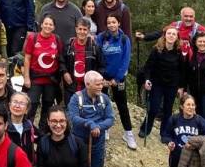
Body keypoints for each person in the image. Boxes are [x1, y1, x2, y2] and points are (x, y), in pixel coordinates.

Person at [66, 71, 114, 167]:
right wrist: (89, 124)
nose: (101, 87)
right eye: (97, 84)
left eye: (101, 84)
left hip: (98, 142)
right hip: (80, 140)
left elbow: (110, 118)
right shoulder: (76, 98)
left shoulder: (104, 99)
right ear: (87, 84)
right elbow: (73, 118)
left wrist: (98, 127)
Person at [98, 15, 136, 150]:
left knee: (122, 104)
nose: (111, 25)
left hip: (118, 79)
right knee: (102, 103)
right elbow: (98, 56)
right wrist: (102, 77)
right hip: (103, 78)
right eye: (108, 22)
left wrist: (117, 78)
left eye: (114, 22)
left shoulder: (125, 39)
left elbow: (125, 61)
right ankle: (105, 129)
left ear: (119, 23)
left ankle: (128, 133)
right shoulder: (101, 37)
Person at [139, 27, 184, 139]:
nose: (171, 36)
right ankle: (145, 129)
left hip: (172, 85)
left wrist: (180, 87)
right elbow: (148, 67)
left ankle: (165, 133)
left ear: (177, 37)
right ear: (164, 35)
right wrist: (147, 80)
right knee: (153, 108)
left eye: (174, 34)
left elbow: (183, 71)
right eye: (169, 33)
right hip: (157, 83)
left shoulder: (179, 53)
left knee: (167, 110)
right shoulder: (157, 50)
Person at [23, 16, 62, 130]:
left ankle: (43, 133)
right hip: (35, 79)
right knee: (32, 106)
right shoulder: (33, 38)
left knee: (48, 106)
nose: (48, 26)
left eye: (51, 24)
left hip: (51, 80)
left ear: (54, 27)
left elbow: (60, 59)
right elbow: (27, 58)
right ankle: (27, 131)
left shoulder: (57, 39)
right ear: (41, 24)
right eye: (46, 23)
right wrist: (26, 77)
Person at [161, 96, 205, 167]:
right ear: (182, 106)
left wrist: (195, 144)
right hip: (176, 158)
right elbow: (165, 135)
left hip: (194, 160)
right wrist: (169, 143)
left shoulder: (200, 121)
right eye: (188, 104)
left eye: (193, 105)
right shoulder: (174, 119)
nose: (191, 107)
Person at [136, 6, 205, 54]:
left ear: (194, 17)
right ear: (181, 16)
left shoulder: (199, 28)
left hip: (191, 61)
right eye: (186, 16)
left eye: (191, 16)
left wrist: (203, 52)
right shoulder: (175, 25)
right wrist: (145, 37)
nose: (188, 19)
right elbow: (161, 33)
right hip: (176, 58)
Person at [62, 18, 102, 96]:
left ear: (89, 31)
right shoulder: (69, 45)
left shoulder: (94, 47)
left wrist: (95, 80)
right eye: (80, 29)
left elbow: (101, 66)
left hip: (88, 88)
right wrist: (65, 72)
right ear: (76, 29)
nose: (82, 32)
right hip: (71, 86)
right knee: (71, 108)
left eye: (85, 29)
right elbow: (62, 61)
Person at [6, 92, 37, 166]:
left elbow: (42, 137)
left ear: (27, 110)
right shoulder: (3, 125)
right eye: (15, 102)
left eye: (22, 103)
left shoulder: (29, 125)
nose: (17, 106)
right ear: (9, 105)